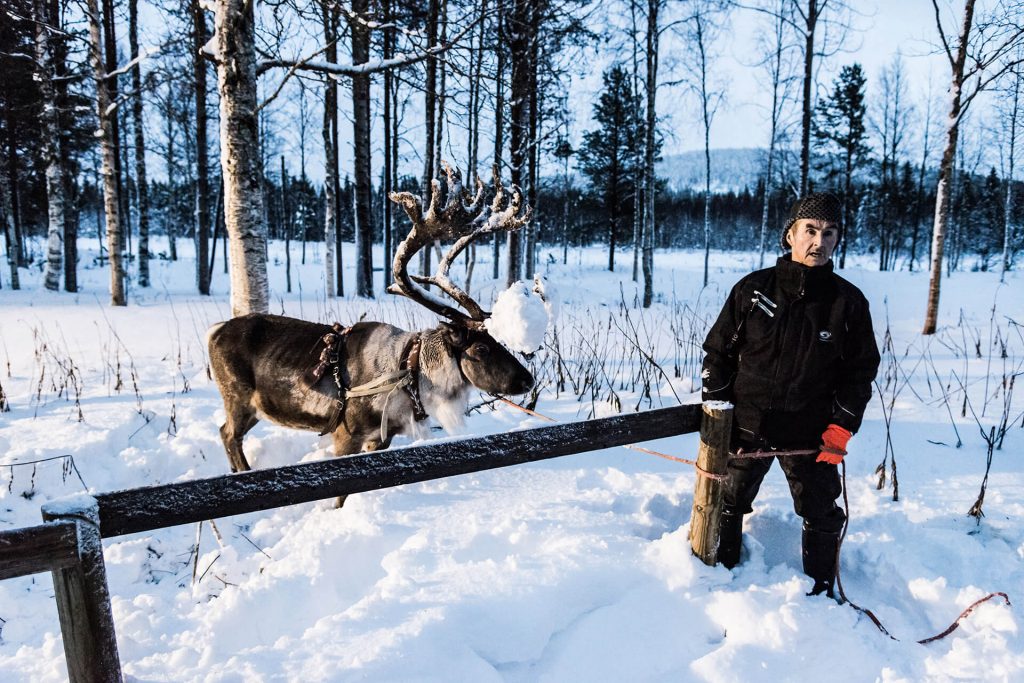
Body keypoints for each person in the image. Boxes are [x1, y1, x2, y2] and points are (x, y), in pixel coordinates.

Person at [701, 192, 880, 597]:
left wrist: (840, 430)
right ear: (790, 235)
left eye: (829, 233)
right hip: (748, 427)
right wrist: (719, 418)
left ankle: (821, 591)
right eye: (810, 230)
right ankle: (720, 581)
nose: (819, 242)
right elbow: (718, 354)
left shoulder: (847, 302)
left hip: (811, 434)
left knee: (821, 512)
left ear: (837, 239)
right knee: (728, 501)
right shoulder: (753, 290)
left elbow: (860, 372)